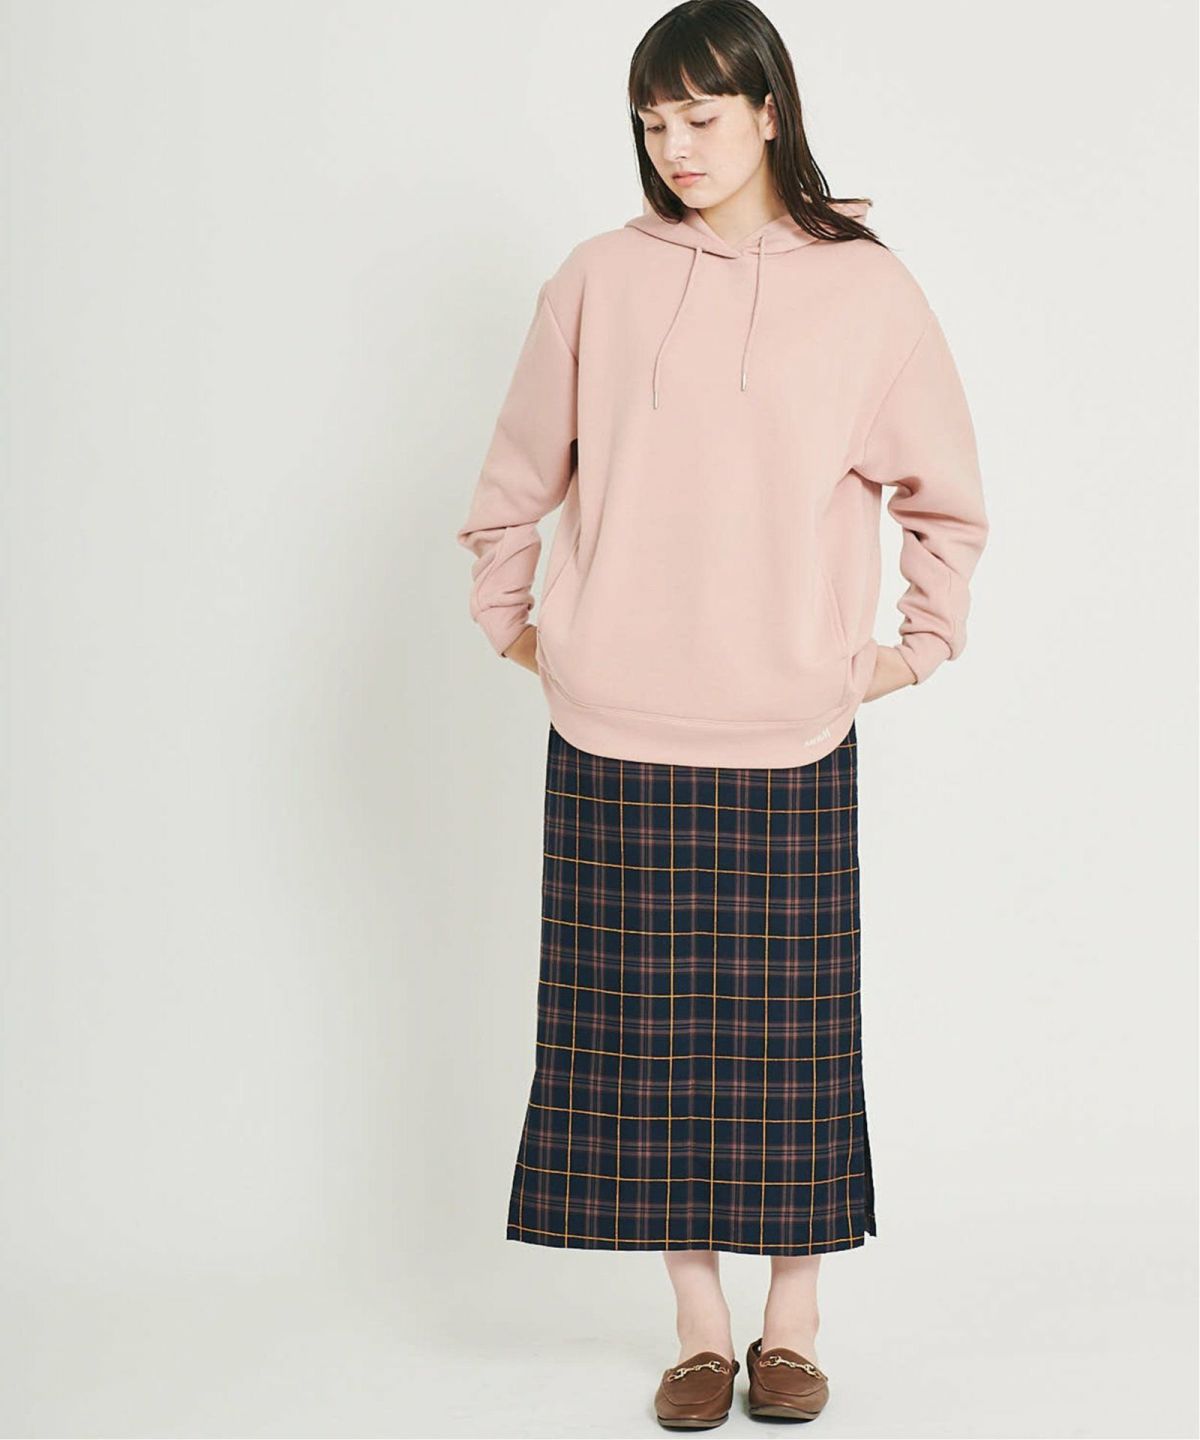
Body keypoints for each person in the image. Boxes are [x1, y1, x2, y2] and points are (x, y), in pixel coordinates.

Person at [454, 0, 989, 1427]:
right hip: (612, 726)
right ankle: (698, 1325)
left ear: (767, 109)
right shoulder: (597, 279)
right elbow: (514, 477)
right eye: (652, 122)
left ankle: (793, 1321)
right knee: (642, 1041)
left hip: (787, 726)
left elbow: (944, 495)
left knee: (789, 1039)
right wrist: (522, 626)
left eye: (699, 115)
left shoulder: (867, 291)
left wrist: (915, 648)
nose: (674, 146)